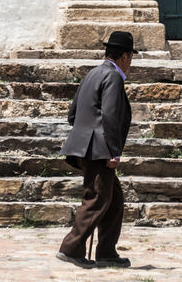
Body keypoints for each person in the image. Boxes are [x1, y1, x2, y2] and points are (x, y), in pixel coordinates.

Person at [56, 30, 135, 269]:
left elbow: (72, 114)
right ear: (124, 56)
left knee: (115, 197)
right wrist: (113, 151)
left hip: (86, 145)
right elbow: (110, 116)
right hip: (99, 149)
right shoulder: (112, 77)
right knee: (97, 198)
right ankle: (71, 248)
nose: (130, 62)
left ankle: (107, 252)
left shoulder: (93, 73)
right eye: (131, 56)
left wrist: (85, 131)